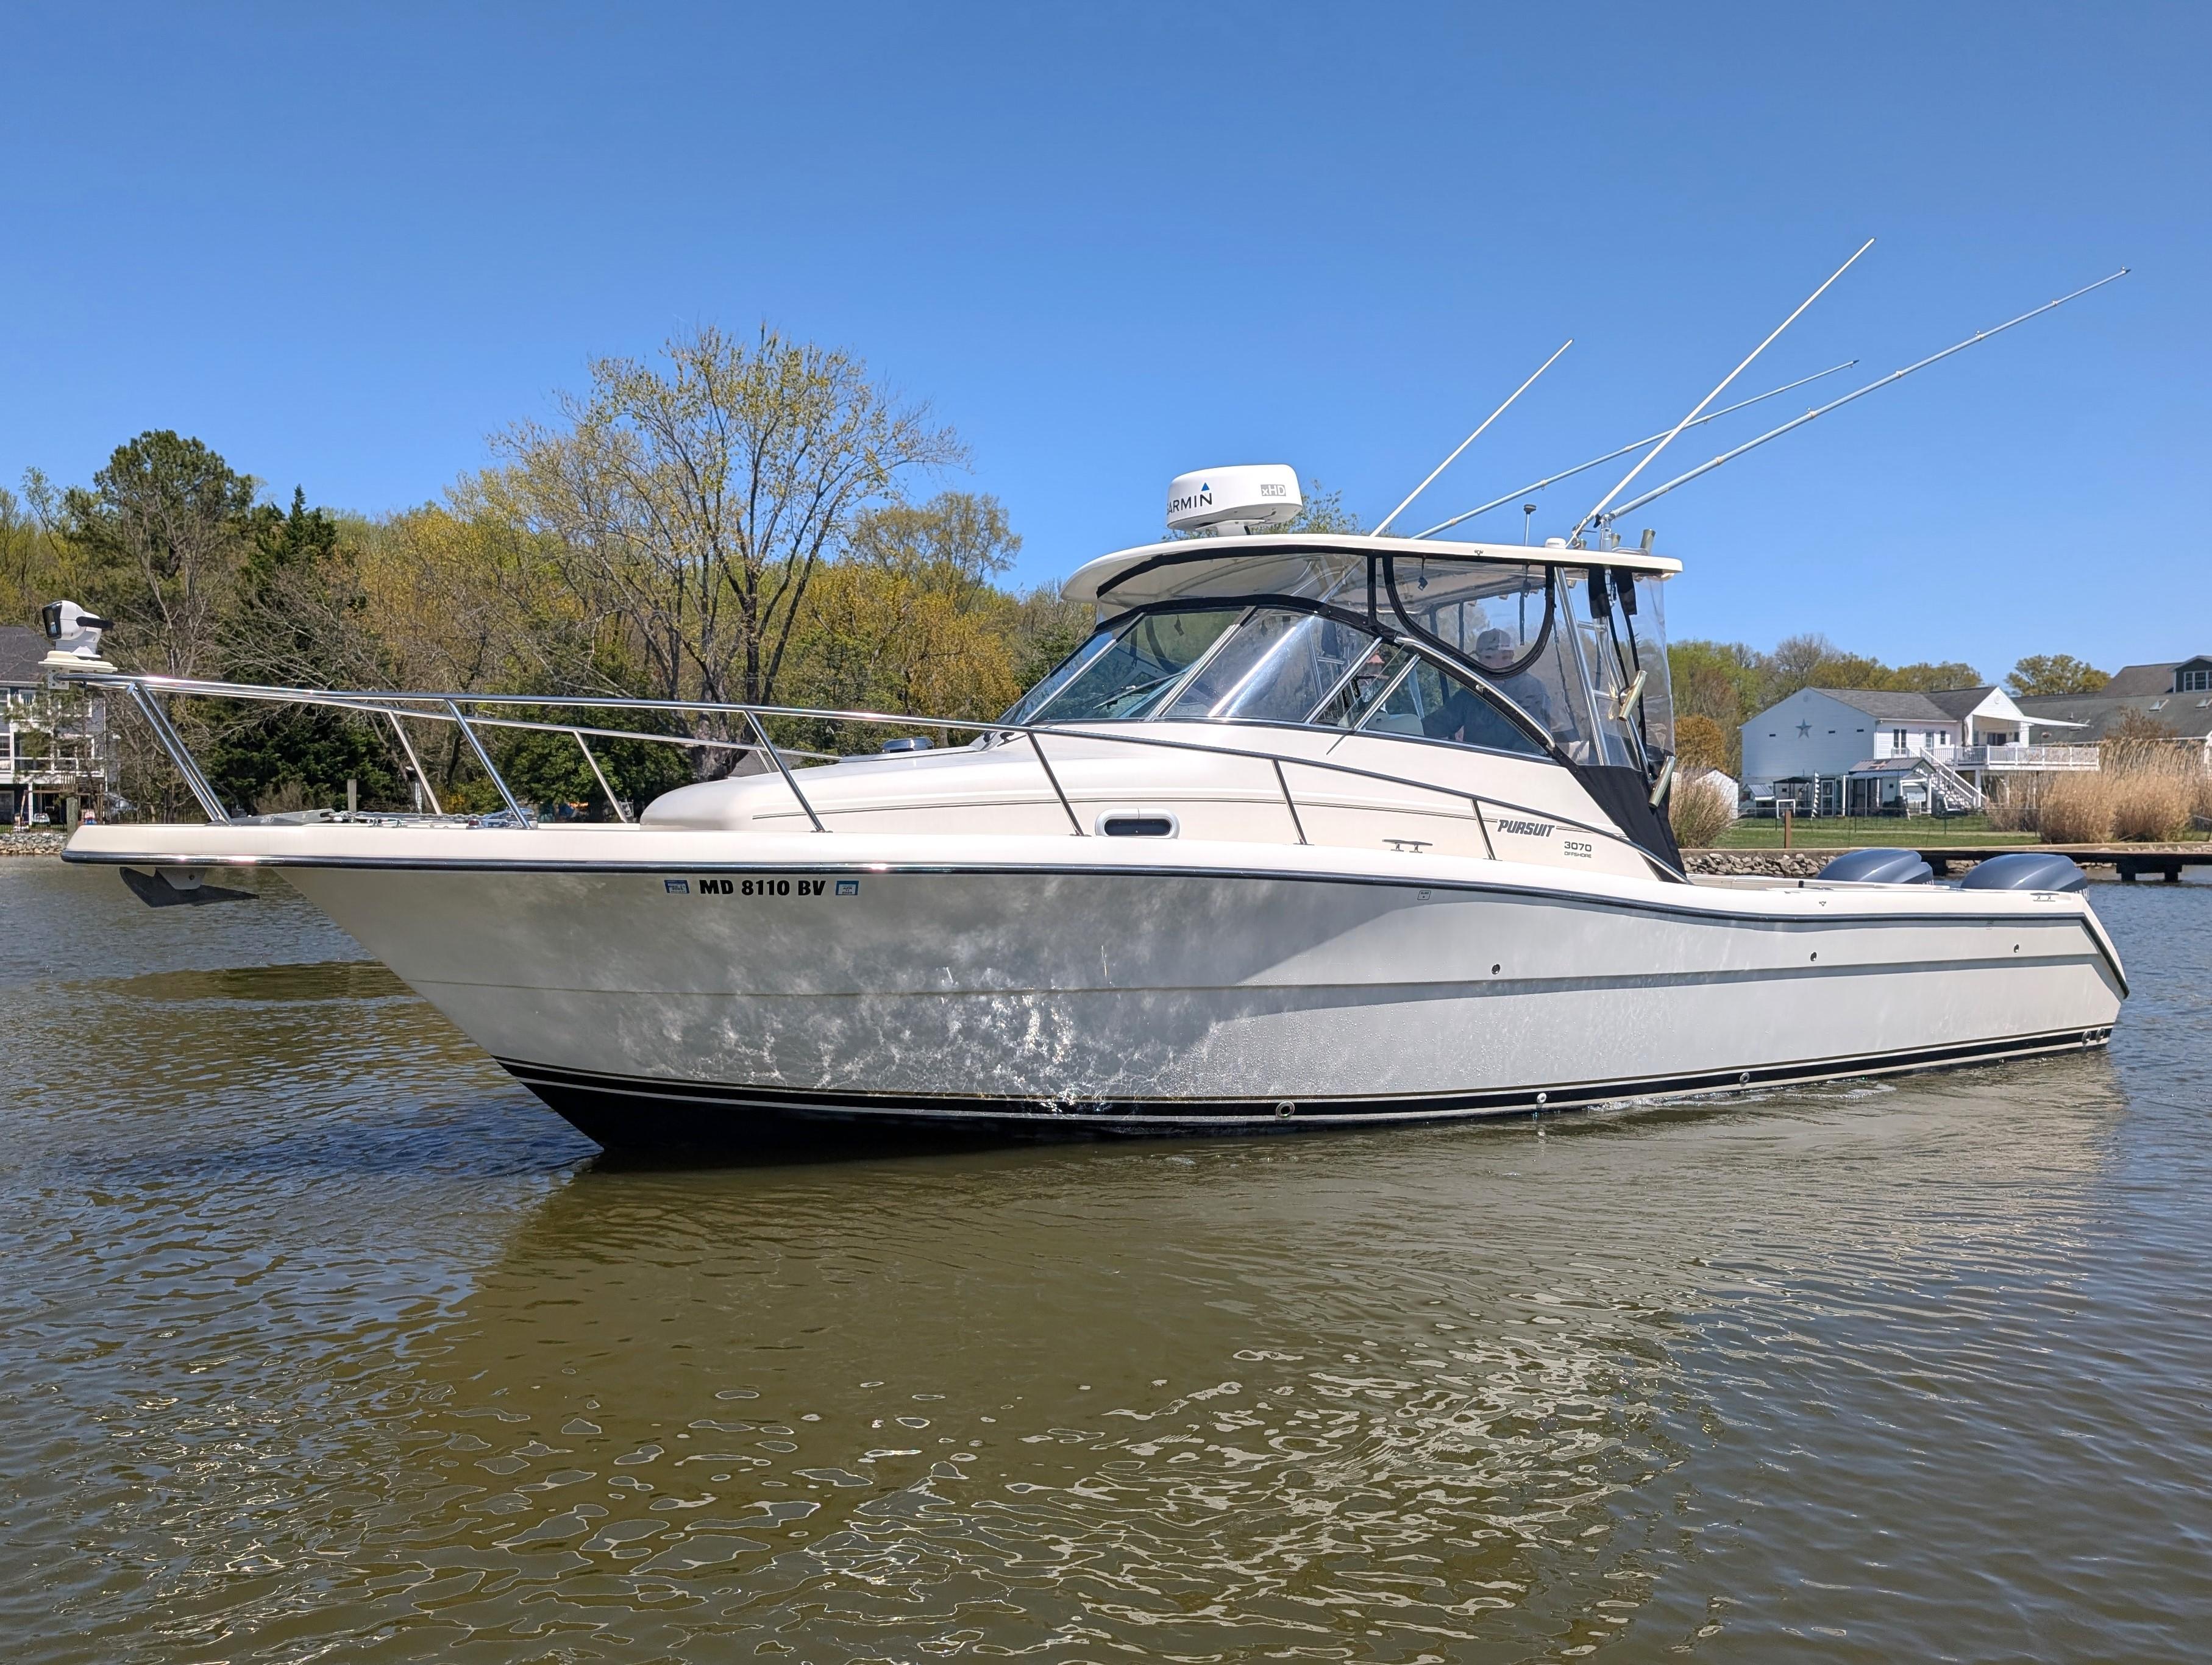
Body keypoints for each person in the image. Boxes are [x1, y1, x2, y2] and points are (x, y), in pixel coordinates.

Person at [1473, 628, 1556, 733]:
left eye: (1489, 657)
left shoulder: (1532, 689)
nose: (1484, 663)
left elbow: (1537, 737)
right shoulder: (1472, 686)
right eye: (1481, 657)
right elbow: (1452, 717)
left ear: (1509, 656)